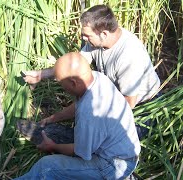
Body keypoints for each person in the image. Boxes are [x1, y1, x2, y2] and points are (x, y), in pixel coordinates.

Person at [22, 4, 160, 138]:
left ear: (104, 34)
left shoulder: (128, 56)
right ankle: (56, 130)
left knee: (100, 137)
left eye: (87, 36)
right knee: (88, 124)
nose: (84, 39)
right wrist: (41, 74)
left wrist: (94, 118)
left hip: (142, 106)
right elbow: (73, 66)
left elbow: (128, 104)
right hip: (113, 95)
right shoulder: (96, 42)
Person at [16, 52, 141, 179]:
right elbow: (78, 105)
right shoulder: (97, 78)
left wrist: (52, 146)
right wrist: (54, 118)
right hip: (122, 148)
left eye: (60, 83)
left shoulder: (90, 114)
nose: (61, 86)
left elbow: (81, 153)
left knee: (47, 167)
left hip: (114, 165)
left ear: (73, 83)